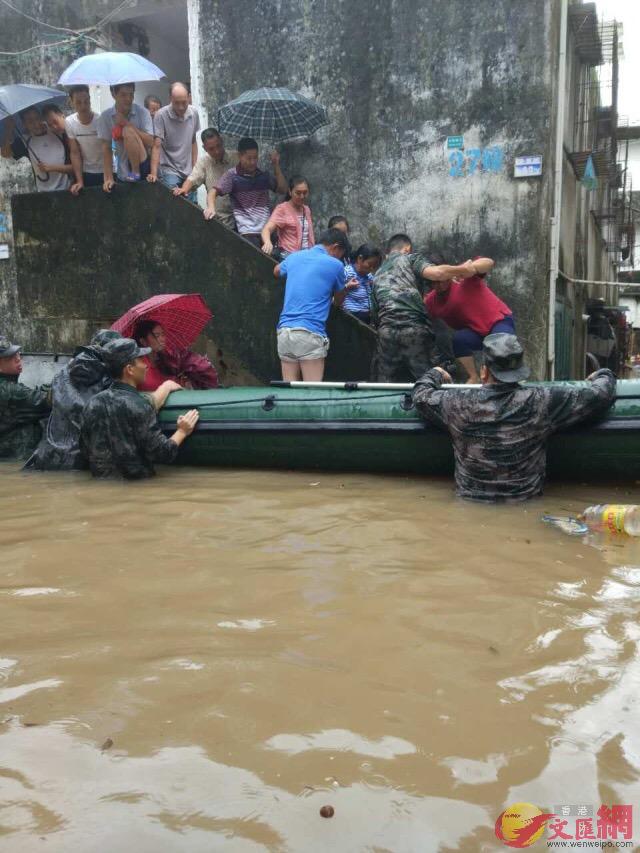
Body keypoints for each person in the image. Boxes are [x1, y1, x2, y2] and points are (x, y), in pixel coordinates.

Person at [413, 333, 616, 502]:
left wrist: (435, 374)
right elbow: (600, 395)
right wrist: (604, 374)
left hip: (469, 503)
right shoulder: (542, 402)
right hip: (524, 503)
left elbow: (421, 396)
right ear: (520, 372)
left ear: (484, 372)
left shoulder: (456, 403)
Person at [27, 330, 181, 471]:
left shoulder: (62, 373)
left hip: (46, 457)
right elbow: (130, 406)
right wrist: (165, 389)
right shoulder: (105, 375)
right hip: (77, 463)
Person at [80, 338, 199, 479]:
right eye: (141, 360)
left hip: (101, 484)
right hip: (137, 485)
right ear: (129, 370)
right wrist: (182, 431)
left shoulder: (91, 403)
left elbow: (85, 449)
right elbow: (162, 454)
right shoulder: (140, 406)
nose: (145, 366)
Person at [370, 233, 477, 382]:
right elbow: (437, 272)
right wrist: (462, 269)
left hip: (386, 334)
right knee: (428, 380)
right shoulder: (410, 258)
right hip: (415, 330)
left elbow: (375, 313)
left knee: (385, 383)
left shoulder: (377, 275)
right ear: (407, 248)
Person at [274, 228, 356, 381]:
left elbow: (276, 271)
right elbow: (338, 300)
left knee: (289, 392)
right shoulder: (335, 265)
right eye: (341, 254)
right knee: (312, 392)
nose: (340, 258)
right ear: (336, 247)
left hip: (285, 332)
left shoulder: (295, 256)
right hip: (310, 334)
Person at [424, 255, 515, 383]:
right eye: (433, 282)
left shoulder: (463, 276)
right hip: (477, 332)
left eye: (440, 279)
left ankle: (509, 379)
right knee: (459, 340)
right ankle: (473, 376)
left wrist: (470, 268)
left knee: (501, 346)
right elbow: (421, 314)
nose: (438, 284)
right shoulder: (431, 301)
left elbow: (488, 262)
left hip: (499, 321)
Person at [208, 136, 287, 247]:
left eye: (255, 158)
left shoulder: (263, 176)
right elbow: (213, 192)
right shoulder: (232, 176)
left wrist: (276, 165)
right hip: (247, 233)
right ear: (239, 156)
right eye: (249, 158)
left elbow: (282, 189)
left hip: (267, 231)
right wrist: (211, 208)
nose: (252, 162)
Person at [173, 128, 238, 227]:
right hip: (220, 221)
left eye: (218, 146)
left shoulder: (236, 158)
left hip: (241, 218)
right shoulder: (204, 162)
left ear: (222, 141)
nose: (216, 151)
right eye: (211, 149)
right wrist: (184, 189)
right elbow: (193, 178)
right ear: (205, 148)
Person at [0, 335, 51, 460]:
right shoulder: (9, 391)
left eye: (17, 354)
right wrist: (69, 373)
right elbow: (46, 400)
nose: (18, 359)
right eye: (10, 357)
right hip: (15, 461)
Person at [148, 82, 200, 200]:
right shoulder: (161, 115)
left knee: (192, 205)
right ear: (170, 99)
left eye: (184, 102)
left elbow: (193, 142)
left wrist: (194, 169)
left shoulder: (194, 113)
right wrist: (154, 174)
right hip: (169, 168)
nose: (181, 107)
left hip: (188, 170)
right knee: (173, 202)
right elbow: (156, 146)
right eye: (177, 103)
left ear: (189, 97)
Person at [1, 106, 72, 192]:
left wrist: (51, 168)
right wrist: (9, 129)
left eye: (37, 118)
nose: (36, 124)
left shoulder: (56, 131)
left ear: (42, 117)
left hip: (67, 189)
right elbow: (5, 153)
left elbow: (75, 164)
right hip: (43, 193)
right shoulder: (25, 140)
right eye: (30, 121)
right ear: (24, 124)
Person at [133, 320, 218, 391]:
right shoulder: (138, 367)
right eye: (157, 336)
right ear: (143, 341)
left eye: (163, 334)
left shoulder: (171, 360)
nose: (162, 339)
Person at [97, 83, 153, 190]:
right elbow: (106, 148)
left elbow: (151, 142)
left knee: (127, 130)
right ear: (113, 94)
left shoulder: (143, 112)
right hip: (123, 172)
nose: (128, 99)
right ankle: (131, 174)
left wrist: (126, 123)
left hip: (143, 166)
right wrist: (108, 178)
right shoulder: (105, 117)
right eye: (123, 95)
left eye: (131, 95)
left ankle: (135, 173)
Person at [261, 176, 315, 259]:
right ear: (290, 192)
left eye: (305, 193)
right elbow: (267, 229)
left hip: (307, 256)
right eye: (298, 193)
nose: (302, 196)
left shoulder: (307, 209)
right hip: (289, 256)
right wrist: (267, 242)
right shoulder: (282, 209)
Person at [64, 85, 104, 194]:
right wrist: (79, 181)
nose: (83, 106)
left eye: (86, 101)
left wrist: (109, 176)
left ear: (90, 100)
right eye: (78, 102)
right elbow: (75, 152)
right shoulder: (69, 122)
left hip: (107, 170)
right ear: (71, 103)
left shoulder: (100, 120)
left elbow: (107, 148)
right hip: (87, 171)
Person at [341, 243, 383, 324]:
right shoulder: (347, 272)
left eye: (374, 267)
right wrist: (346, 286)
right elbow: (334, 292)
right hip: (351, 316)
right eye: (370, 265)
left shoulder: (369, 276)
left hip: (367, 317)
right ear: (360, 258)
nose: (371, 269)